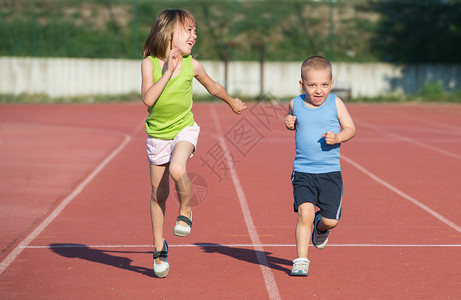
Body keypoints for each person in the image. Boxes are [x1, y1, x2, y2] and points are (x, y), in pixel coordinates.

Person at [141, 9, 247, 278]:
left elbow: (212, 87)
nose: (194, 35)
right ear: (167, 32)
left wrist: (232, 101)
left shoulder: (193, 65)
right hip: (157, 134)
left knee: (178, 169)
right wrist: (167, 72)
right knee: (158, 194)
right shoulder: (150, 63)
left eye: (195, 30)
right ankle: (158, 247)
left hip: (184, 129)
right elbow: (148, 100)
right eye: (188, 30)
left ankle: (186, 210)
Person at [284, 56, 356, 276]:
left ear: (331, 84)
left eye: (324, 85)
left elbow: (351, 128)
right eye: (312, 85)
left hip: (330, 173)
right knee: (304, 213)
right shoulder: (295, 103)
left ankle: (321, 226)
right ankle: (301, 260)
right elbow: (291, 120)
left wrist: (338, 137)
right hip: (303, 171)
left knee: (330, 220)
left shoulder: (336, 103)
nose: (318, 90)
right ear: (302, 84)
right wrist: (288, 121)